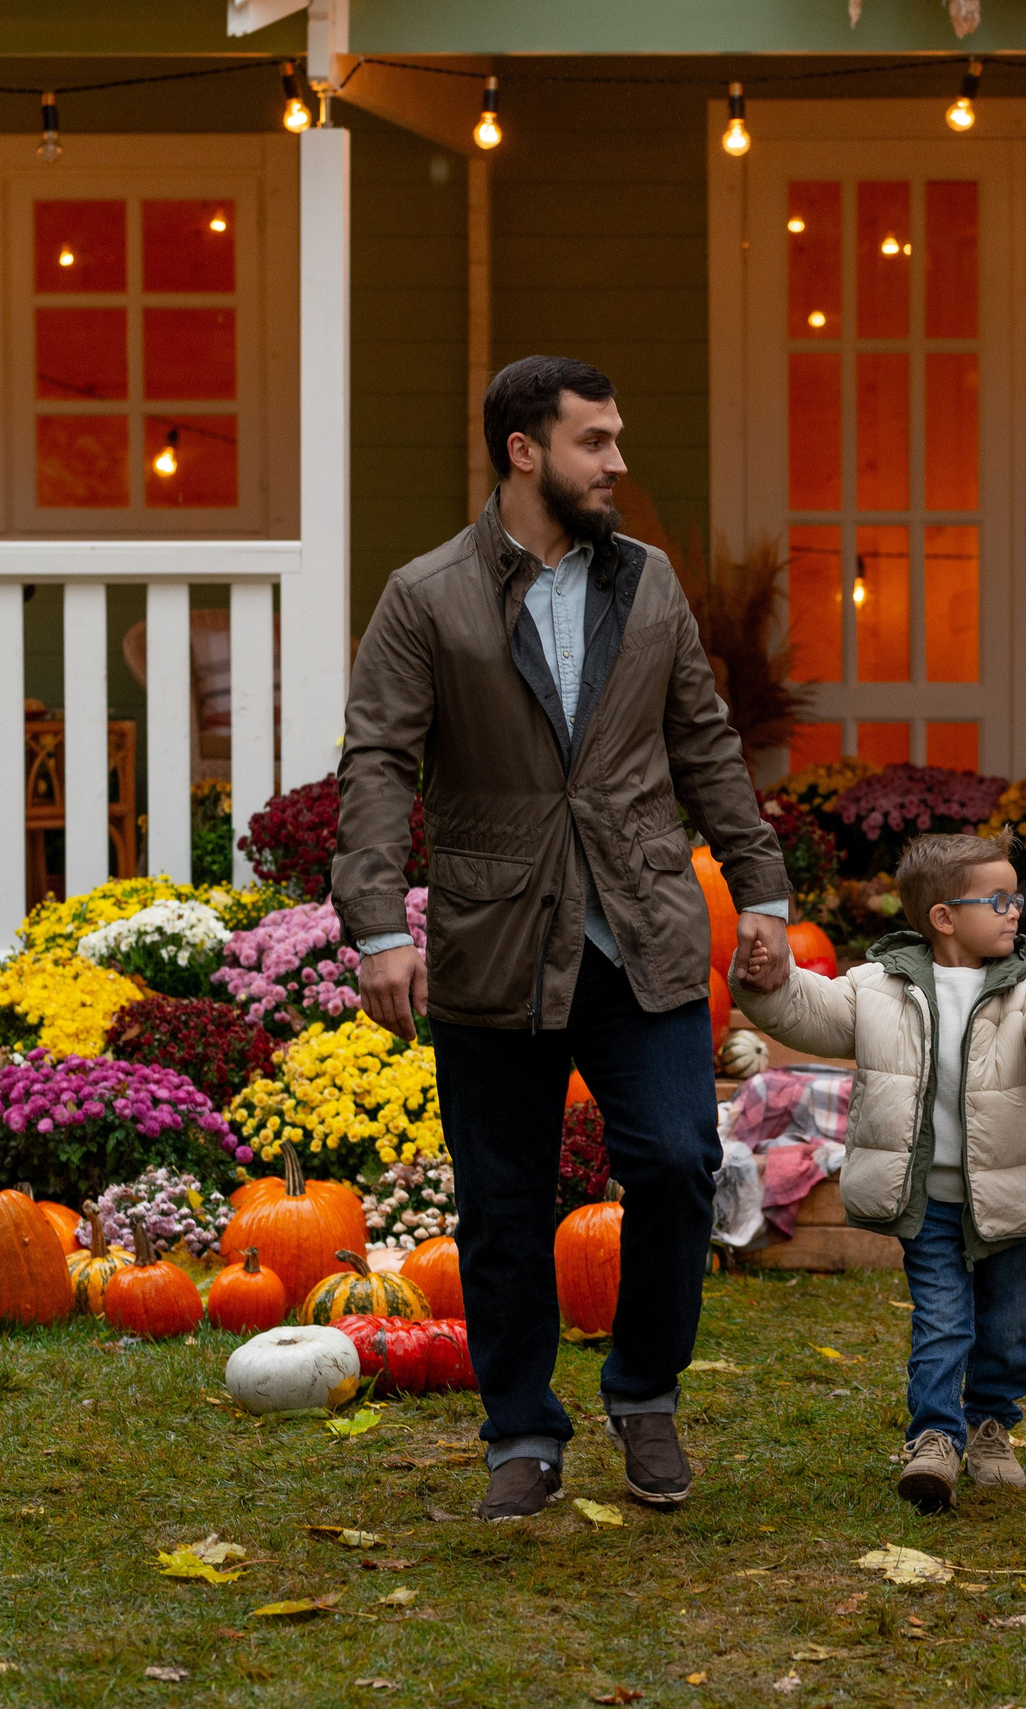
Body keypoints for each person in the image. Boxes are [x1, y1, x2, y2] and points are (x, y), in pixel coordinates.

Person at [335, 355, 793, 1523]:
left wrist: (766, 893)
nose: (619, 463)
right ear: (524, 451)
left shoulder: (646, 584)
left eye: (617, 436)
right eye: (596, 441)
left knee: (680, 1162)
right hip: (495, 937)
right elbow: (381, 759)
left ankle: (643, 1392)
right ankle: (523, 1429)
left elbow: (705, 742)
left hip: (638, 928)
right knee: (501, 1198)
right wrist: (379, 921)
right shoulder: (425, 594)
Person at [730, 831, 1026, 1511]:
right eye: (997, 899)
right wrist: (763, 982)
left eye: (1015, 897)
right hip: (929, 1198)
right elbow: (805, 1010)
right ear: (943, 917)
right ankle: (934, 1436)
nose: (1014, 910)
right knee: (941, 1318)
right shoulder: (878, 987)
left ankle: (991, 1427)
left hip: (1012, 1194)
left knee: (1005, 1325)